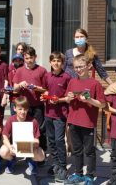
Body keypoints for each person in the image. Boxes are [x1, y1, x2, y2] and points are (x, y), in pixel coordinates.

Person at [63, 54, 106, 185]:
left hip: (88, 123)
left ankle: (90, 176)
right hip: (73, 121)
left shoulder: (95, 83)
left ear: (88, 66)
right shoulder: (72, 81)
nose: (78, 69)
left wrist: (89, 100)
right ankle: (78, 173)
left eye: (81, 66)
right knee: (76, 150)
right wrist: (68, 97)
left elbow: (102, 104)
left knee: (89, 151)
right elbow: (66, 99)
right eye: (75, 67)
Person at [41, 52, 71, 182]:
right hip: (48, 113)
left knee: (59, 140)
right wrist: (44, 96)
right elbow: (45, 90)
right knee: (51, 141)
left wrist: (59, 100)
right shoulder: (47, 76)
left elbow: (69, 98)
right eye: (53, 61)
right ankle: (55, 164)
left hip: (60, 115)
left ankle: (63, 167)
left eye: (58, 61)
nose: (56, 63)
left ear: (62, 62)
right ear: (50, 62)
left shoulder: (67, 77)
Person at [0, 96, 45, 175]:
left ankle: (31, 160)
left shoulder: (33, 121)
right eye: (20, 109)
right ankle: (12, 160)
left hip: (29, 147)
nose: (23, 112)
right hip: (14, 146)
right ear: (14, 109)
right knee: (3, 151)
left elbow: (37, 140)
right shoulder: (11, 120)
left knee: (41, 156)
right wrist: (10, 147)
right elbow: (4, 136)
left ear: (28, 109)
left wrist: (33, 144)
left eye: (25, 109)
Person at [13, 46, 48, 151]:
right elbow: (14, 89)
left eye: (31, 58)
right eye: (26, 58)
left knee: (40, 129)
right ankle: (24, 151)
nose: (29, 60)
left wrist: (37, 88)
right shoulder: (19, 71)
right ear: (24, 58)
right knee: (24, 128)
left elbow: (46, 89)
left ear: (35, 57)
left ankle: (40, 152)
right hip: (23, 105)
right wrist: (19, 84)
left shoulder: (42, 70)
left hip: (37, 105)